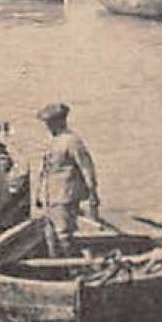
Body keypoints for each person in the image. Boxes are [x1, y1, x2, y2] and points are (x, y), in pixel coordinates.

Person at [30, 102, 100, 257]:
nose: (48, 126)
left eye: (50, 122)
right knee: (50, 235)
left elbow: (86, 167)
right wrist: (38, 194)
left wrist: (92, 191)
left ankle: (73, 267)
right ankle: (57, 267)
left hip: (65, 196)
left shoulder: (72, 141)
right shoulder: (52, 141)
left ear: (60, 121)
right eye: (47, 123)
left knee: (64, 235)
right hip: (50, 197)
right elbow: (44, 171)